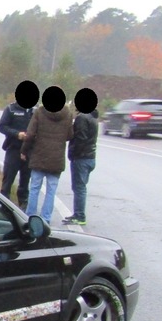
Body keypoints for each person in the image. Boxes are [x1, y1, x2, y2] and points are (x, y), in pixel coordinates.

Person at [20, 85, 73, 224]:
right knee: (51, 190)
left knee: (35, 188)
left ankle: (31, 216)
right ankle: (46, 218)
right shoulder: (68, 114)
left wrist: (24, 151)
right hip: (57, 159)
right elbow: (69, 135)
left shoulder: (39, 112)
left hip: (39, 156)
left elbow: (30, 134)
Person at [0, 80, 39, 209]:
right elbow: (2, 126)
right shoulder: (11, 109)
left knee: (25, 183)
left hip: (29, 152)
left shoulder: (36, 111)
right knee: (7, 181)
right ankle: (4, 207)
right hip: (13, 149)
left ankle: (23, 209)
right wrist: (17, 134)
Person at [63, 88, 99, 226]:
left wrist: (73, 154)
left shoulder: (82, 118)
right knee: (81, 187)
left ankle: (79, 215)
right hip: (90, 157)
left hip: (81, 158)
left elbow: (80, 139)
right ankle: (78, 213)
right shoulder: (93, 118)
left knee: (79, 187)